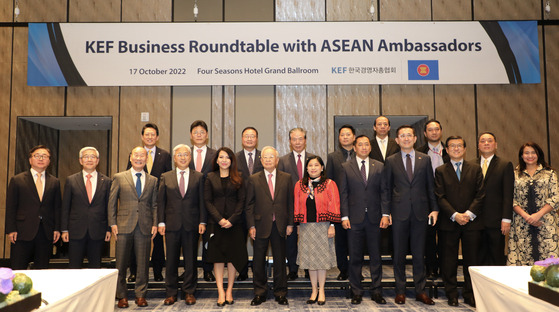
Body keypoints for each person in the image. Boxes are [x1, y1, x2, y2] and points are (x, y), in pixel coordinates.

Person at [383, 125, 438, 305]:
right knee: (398, 254)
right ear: (397, 140)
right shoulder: (391, 161)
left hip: (421, 213)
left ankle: (420, 291)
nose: (406, 138)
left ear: (415, 139)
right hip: (399, 213)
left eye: (409, 135)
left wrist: (434, 209)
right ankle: (400, 291)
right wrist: (386, 212)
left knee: (418, 253)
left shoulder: (425, 159)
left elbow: (431, 187)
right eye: (402, 136)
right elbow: (386, 189)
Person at [435, 136, 484, 308]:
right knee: (449, 261)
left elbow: (480, 195)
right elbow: (440, 197)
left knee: (472, 260)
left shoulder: (475, 169)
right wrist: (455, 214)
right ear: (446, 150)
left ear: (464, 149)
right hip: (449, 222)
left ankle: (470, 294)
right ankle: (452, 294)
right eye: (452, 146)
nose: (456, 149)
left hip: (472, 222)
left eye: (459, 146)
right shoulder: (440, 170)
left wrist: (468, 214)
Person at [340, 135, 388, 305]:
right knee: (355, 257)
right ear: (354, 147)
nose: (363, 147)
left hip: (375, 218)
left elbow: (384, 192)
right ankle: (356, 291)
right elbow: (343, 194)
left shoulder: (380, 166)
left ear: (370, 147)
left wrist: (385, 214)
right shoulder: (346, 167)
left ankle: (376, 291)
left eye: (366, 144)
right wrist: (344, 216)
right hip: (354, 219)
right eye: (360, 145)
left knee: (376, 256)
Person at [109, 147, 158, 308]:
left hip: (144, 226)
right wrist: (112, 223)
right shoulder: (119, 177)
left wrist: (155, 224)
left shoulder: (153, 180)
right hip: (123, 226)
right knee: (121, 263)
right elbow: (112, 202)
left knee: (143, 263)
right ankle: (121, 296)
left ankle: (140, 295)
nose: (139, 158)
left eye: (142, 156)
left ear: (146, 159)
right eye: (136, 155)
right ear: (130, 158)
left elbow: (154, 205)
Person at [157, 144, 206, 306]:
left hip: (192, 224)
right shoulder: (166, 176)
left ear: (190, 158)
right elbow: (161, 202)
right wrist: (161, 222)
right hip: (171, 225)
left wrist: (202, 221)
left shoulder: (198, 176)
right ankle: (171, 292)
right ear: (175, 158)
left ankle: (189, 292)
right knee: (170, 260)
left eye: (186, 154)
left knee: (190, 260)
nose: (183, 157)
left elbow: (202, 202)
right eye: (180, 155)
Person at [246, 146, 294, 306]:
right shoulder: (253, 178)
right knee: (258, 261)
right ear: (261, 160)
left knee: (280, 261)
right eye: (265, 157)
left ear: (277, 160)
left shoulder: (286, 178)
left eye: (271, 157)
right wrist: (251, 225)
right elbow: (249, 205)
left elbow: (290, 203)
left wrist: (290, 223)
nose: (267, 160)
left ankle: (280, 292)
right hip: (260, 225)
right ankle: (260, 293)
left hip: (280, 224)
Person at [126, 123, 172, 282]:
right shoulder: (134, 154)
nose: (150, 137)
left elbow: (168, 179)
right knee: (135, 238)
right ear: (142, 136)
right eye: (147, 134)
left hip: (158, 203)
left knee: (158, 239)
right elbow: (129, 177)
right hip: (140, 203)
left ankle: (158, 271)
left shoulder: (164, 155)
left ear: (157, 137)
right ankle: (134, 272)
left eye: (153, 135)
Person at [294, 156, 341, 305]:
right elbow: (296, 205)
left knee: (321, 261)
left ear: (322, 168)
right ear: (306, 169)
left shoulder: (329, 184)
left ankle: (322, 290)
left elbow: (334, 204)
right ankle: (313, 290)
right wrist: (297, 226)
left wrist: (332, 225)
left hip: (323, 226)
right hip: (306, 227)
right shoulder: (299, 185)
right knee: (310, 261)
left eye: (316, 165)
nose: (313, 168)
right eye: (310, 165)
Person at [6, 145, 61, 270]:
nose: (41, 158)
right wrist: (11, 229)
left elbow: (57, 207)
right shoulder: (17, 180)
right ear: (30, 160)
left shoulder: (55, 182)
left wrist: (57, 229)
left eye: (44, 156)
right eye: (37, 156)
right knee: (18, 267)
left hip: (46, 231)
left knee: (42, 268)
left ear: (49, 161)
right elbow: (11, 207)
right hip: (22, 231)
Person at [205, 147, 248, 306]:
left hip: (234, 224)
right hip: (216, 224)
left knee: (232, 258)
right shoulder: (210, 177)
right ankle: (220, 292)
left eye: (227, 157)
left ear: (232, 161)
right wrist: (219, 219)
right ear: (216, 160)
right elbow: (207, 201)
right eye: (221, 157)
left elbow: (242, 201)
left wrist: (231, 219)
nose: (224, 160)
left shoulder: (239, 177)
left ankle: (229, 290)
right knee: (217, 258)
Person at [507, 142, 559, 266]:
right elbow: (510, 198)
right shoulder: (514, 174)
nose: (530, 156)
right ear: (521, 155)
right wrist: (527, 216)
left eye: (533, 152)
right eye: (526, 153)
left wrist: (538, 215)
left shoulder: (550, 173)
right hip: (521, 223)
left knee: (549, 263)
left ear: (538, 154)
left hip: (546, 223)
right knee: (522, 260)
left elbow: (555, 197)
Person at [61, 147, 111, 269]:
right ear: (80, 160)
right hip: (75, 230)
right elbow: (65, 207)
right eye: (86, 156)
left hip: (98, 230)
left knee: (95, 267)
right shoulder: (71, 180)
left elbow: (109, 207)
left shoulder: (107, 181)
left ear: (98, 160)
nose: (89, 159)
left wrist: (108, 229)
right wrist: (64, 230)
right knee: (74, 266)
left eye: (93, 157)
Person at [278, 127, 315, 280]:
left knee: (308, 239)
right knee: (291, 240)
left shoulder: (314, 159)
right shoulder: (283, 161)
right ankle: (292, 269)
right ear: (290, 141)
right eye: (294, 139)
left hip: (310, 206)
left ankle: (308, 268)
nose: (298, 142)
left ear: (305, 141)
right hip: (290, 205)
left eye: (301, 139)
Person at [417, 119, 449, 279]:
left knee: (446, 237)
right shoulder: (419, 152)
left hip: (448, 202)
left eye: (437, 129)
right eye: (430, 130)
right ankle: (431, 269)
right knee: (429, 237)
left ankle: (445, 270)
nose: (434, 132)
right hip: (427, 202)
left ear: (441, 131)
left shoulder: (450, 151)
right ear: (425, 134)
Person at [477, 132, 514, 265]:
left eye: (489, 141)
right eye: (483, 141)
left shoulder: (505, 165)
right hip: (475, 221)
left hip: (497, 221)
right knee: (478, 258)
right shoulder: (471, 165)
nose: (486, 143)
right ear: (478, 146)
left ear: (496, 145)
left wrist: (506, 219)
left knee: (496, 256)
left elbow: (508, 194)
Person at [326, 125, 355, 280]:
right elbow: (329, 181)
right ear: (339, 138)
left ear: (354, 137)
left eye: (348, 134)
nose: (345, 137)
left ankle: (355, 270)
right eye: (342, 134)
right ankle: (343, 270)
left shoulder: (360, 154)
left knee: (356, 239)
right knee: (341, 240)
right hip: (339, 204)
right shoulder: (333, 157)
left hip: (357, 204)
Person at [189, 120, 217, 281]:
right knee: (189, 239)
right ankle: (189, 270)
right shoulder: (185, 153)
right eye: (195, 132)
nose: (199, 135)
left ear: (206, 135)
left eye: (202, 132)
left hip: (209, 202)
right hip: (189, 203)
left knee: (208, 238)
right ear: (191, 136)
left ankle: (208, 269)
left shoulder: (215, 155)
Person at [235, 126, 263, 281]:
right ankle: (243, 270)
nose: (250, 139)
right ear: (242, 139)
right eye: (246, 136)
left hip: (259, 207)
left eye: (253, 136)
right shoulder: (235, 158)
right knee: (240, 241)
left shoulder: (263, 157)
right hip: (240, 207)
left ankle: (259, 272)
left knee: (259, 241)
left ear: (257, 139)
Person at [368, 116, 399, 258]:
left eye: (385, 124)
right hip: (373, 190)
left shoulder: (397, 144)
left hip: (394, 189)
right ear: (374, 127)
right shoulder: (368, 144)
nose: (382, 126)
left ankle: (393, 255)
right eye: (379, 124)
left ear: (389, 127)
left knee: (394, 226)